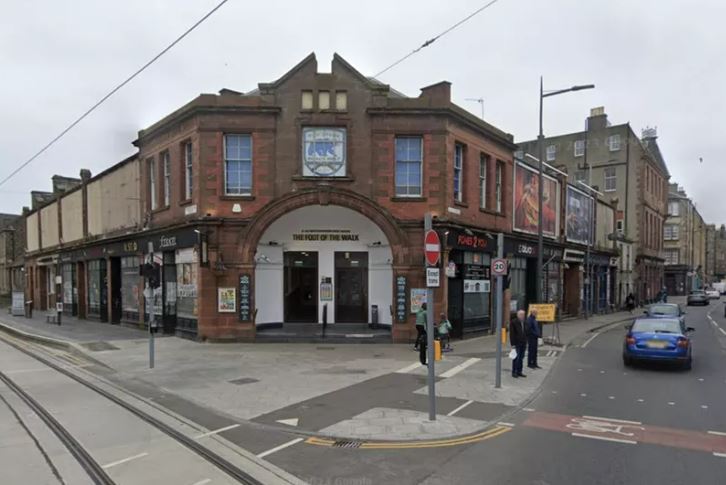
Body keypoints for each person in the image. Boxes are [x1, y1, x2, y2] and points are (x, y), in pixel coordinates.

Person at [509, 310, 528, 378]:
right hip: (517, 343)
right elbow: (512, 334)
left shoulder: (525, 322)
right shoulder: (514, 322)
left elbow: (526, 332)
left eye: (523, 315)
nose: (522, 316)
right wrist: (513, 344)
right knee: (516, 358)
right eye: (521, 315)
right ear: (518, 315)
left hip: (523, 343)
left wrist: (526, 341)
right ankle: (514, 372)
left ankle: (519, 371)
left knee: (521, 358)